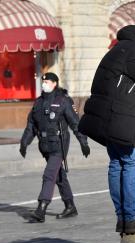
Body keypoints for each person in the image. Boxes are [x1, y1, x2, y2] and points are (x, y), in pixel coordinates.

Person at [78, 25, 135, 233]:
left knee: (117, 163)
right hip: (118, 118)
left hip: (106, 118)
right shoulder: (133, 50)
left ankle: (123, 218)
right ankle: (133, 217)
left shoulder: (116, 50)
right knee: (133, 161)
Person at [20, 72, 90, 223]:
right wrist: (24, 143)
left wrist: (83, 142)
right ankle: (70, 206)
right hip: (44, 145)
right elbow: (31, 125)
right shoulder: (38, 102)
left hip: (59, 144)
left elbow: (75, 124)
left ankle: (42, 208)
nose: (44, 83)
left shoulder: (64, 101)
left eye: (48, 81)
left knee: (49, 174)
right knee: (59, 176)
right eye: (43, 81)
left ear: (55, 84)